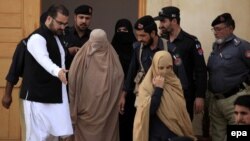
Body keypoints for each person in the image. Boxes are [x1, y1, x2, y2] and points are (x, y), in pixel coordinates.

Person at [19, 4, 73, 140]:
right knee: (37, 137)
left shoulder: (57, 36)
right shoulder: (37, 38)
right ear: (49, 19)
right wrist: (58, 71)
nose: (62, 27)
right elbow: (43, 59)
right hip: (36, 98)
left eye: (65, 24)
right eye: (60, 23)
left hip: (54, 96)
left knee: (53, 136)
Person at [68, 29, 124, 141]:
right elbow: (73, 79)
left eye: (99, 44)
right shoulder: (81, 57)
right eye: (94, 44)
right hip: (85, 108)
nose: (95, 48)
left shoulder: (111, 57)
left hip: (106, 110)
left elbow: (119, 79)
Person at [154, 6, 207, 120]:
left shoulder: (191, 42)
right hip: (163, 93)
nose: (160, 25)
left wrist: (200, 96)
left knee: (183, 130)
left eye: (163, 21)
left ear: (174, 21)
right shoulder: (160, 41)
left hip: (184, 95)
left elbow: (201, 70)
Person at [1, 11, 48, 141]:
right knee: (31, 132)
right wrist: (7, 94)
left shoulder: (58, 44)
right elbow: (14, 71)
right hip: (30, 96)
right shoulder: (26, 44)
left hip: (51, 96)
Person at [133, 51, 195, 141]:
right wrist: (158, 89)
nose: (165, 71)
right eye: (161, 68)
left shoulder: (175, 83)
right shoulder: (146, 86)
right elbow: (148, 111)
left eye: (169, 67)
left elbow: (182, 112)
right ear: (154, 66)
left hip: (176, 134)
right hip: (157, 137)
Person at [207, 13, 250, 141]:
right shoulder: (216, 47)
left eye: (219, 29)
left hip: (235, 101)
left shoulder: (242, 46)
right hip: (216, 101)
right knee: (217, 137)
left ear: (230, 28)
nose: (215, 32)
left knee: (238, 135)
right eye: (214, 29)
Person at [119, 15, 167, 112]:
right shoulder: (138, 48)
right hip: (143, 96)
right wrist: (123, 95)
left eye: (143, 35)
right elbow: (131, 73)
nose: (139, 39)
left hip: (164, 95)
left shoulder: (168, 47)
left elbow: (178, 76)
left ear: (153, 33)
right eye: (138, 35)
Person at [111, 19, 137, 141]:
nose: (122, 33)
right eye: (119, 31)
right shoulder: (110, 50)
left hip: (134, 94)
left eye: (125, 30)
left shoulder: (137, 49)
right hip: (114, 94)